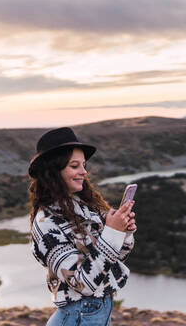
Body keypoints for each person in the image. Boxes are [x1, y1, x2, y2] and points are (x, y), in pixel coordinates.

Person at [28, 127, 136, 326]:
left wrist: (124, 231)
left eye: (84, 165)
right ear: (54, 171)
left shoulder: (84, 207)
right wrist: (111, 232)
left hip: (94, 312)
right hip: (78, 316)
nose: (84, 172)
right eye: (74, 165)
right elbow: (83, 284)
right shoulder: (46, 223)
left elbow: (118, 256)